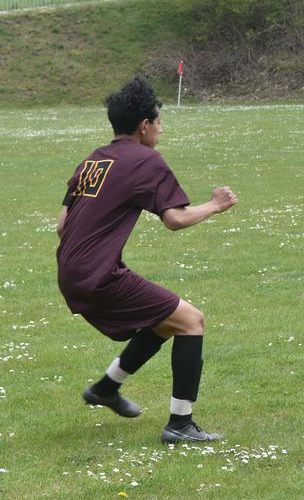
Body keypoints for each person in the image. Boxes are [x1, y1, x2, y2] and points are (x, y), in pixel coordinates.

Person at [56, 77, 238, 443]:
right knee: (191, 320)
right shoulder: (145, 160)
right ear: (144, 126)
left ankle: (106, 389)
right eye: (158, 121)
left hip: (70, 269)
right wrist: (216, 205)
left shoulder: (93, 160)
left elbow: (62, 226)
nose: (161, 128)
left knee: (165, 321)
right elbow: (176, 219)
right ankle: (180, 424)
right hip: (97, 274)